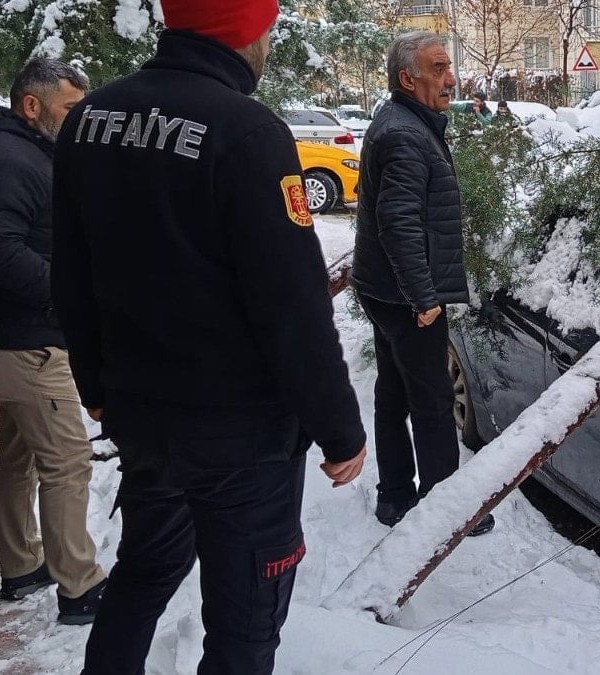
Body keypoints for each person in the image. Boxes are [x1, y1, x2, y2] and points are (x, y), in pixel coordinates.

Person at [51, 0, 367, 672]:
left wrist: (97, 387)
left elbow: (71, 272)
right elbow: (292, 304)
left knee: (141, 573)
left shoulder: (89, 119)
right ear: (244, 32)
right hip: (237, 437)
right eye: (268, 27)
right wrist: (339, 428)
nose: (270, 41)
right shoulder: (248, 132)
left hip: (140, 413)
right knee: (245, 628)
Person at [0, 58, 107, 625]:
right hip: (27, 345)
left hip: (16, 338)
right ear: (33, 106)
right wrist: (68, 293)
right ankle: (80, 586)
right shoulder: (6, 159)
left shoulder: (31, 152)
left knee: (22, 455)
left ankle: (22, 566)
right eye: (70, 108)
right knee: (68, 461)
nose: (80, 118)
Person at [353, 31, 494, 536]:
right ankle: (444, 510)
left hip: (382, 289)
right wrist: (424, 298)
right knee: (432, 402)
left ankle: (394, 497)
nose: (450, 78)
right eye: (438, 69)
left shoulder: (402, 122)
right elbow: (398, 221)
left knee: (393, 393)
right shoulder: (406, 135)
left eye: (449, 67)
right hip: (406, 297)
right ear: (408, 78)